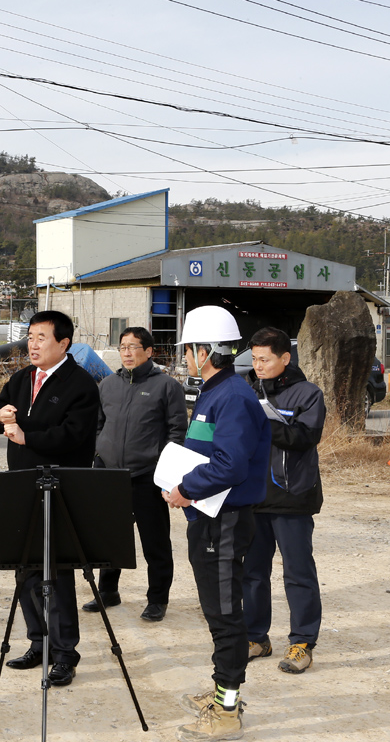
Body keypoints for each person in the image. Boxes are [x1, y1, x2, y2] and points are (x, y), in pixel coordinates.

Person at [163, 305, 270, 742]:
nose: (186, 355)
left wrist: (186, 489)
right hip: (209, 516)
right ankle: (222, 693)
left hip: (223, 520)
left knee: (225, 614)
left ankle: (227, 711)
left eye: (189, 348)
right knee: (217, 610)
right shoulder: (215, 390)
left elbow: (229, 465)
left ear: (205, 351)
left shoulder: (231, 397)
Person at [0, 310, 99, 688]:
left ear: (63, 343)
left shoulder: (80, 384)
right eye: (30, 337)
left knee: (56, 573)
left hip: (61, 488)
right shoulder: (20, 379)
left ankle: (65, 654)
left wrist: (27, 437)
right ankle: (39, 642)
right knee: (25, 569)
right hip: (21, 487)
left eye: (41, 338)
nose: (32, 344)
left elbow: (73, 435)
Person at [86, 326, 187, 622]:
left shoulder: (167, 386)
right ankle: (108, 592)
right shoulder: (107, 385)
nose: (127, 353)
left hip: (147, 475)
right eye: (123, 347)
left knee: (154, 541)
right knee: (109, 538)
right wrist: (99, 453)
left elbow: (177, 432)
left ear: (149, 351)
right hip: (109, 474)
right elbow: (98, 424)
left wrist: (166, 472)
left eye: (133, 347)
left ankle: (157, 598)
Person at [243, 327, 325, 675]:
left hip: (292, 496)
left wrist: (262, 424)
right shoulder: (246, 389)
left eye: (265, 359)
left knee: (297, 572)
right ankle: (256, 638)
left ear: (285, 358)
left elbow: (305, 436)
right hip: (253, 497)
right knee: (252, 573)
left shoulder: (308, 394)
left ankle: (302, 642)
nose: (258, 366)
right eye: (254, 359)